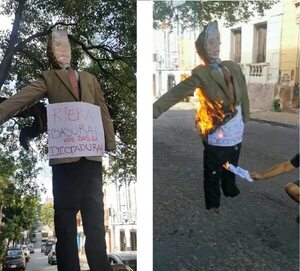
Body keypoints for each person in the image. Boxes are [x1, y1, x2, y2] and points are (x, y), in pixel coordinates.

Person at [0, 29, 115, 271]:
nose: (63, 49)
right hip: (65, 161)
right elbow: (19, 99)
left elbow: (102, 110)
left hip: (92, 158)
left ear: (72, 50)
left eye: (66, 45)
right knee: (64, 225)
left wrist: (110, 142)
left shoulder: (91, 78)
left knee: (95, 224)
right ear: (51, 52)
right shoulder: (48, 78)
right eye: (57, 46)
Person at [153, 21, 250, 214]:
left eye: (218, 42)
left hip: (236, 127)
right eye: (210, 43)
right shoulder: (201, 75)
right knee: (213, 168)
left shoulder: (233, 67)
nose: (216, 47)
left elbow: (244, 91)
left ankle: (229, 188)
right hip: (216, 129)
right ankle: (213, 202)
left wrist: (246, 114)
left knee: (232, 162)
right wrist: (153, 110)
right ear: (202, 49)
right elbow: (177, 93)